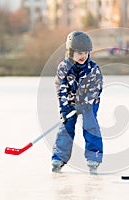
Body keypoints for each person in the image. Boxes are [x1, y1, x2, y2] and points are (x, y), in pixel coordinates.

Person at [51, 31, 103, 174]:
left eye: (86, 52)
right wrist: (65, 107)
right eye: (79, 53)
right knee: (66, 126)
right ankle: (59, 157)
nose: (83, 56)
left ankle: (94, 157)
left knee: (90, 124)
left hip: (89, 101)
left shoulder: (93, 69)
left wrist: (86, 102)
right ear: (71, 52)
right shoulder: (63, 68)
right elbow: (61, 89)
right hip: (70, 101)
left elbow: (96, 87)